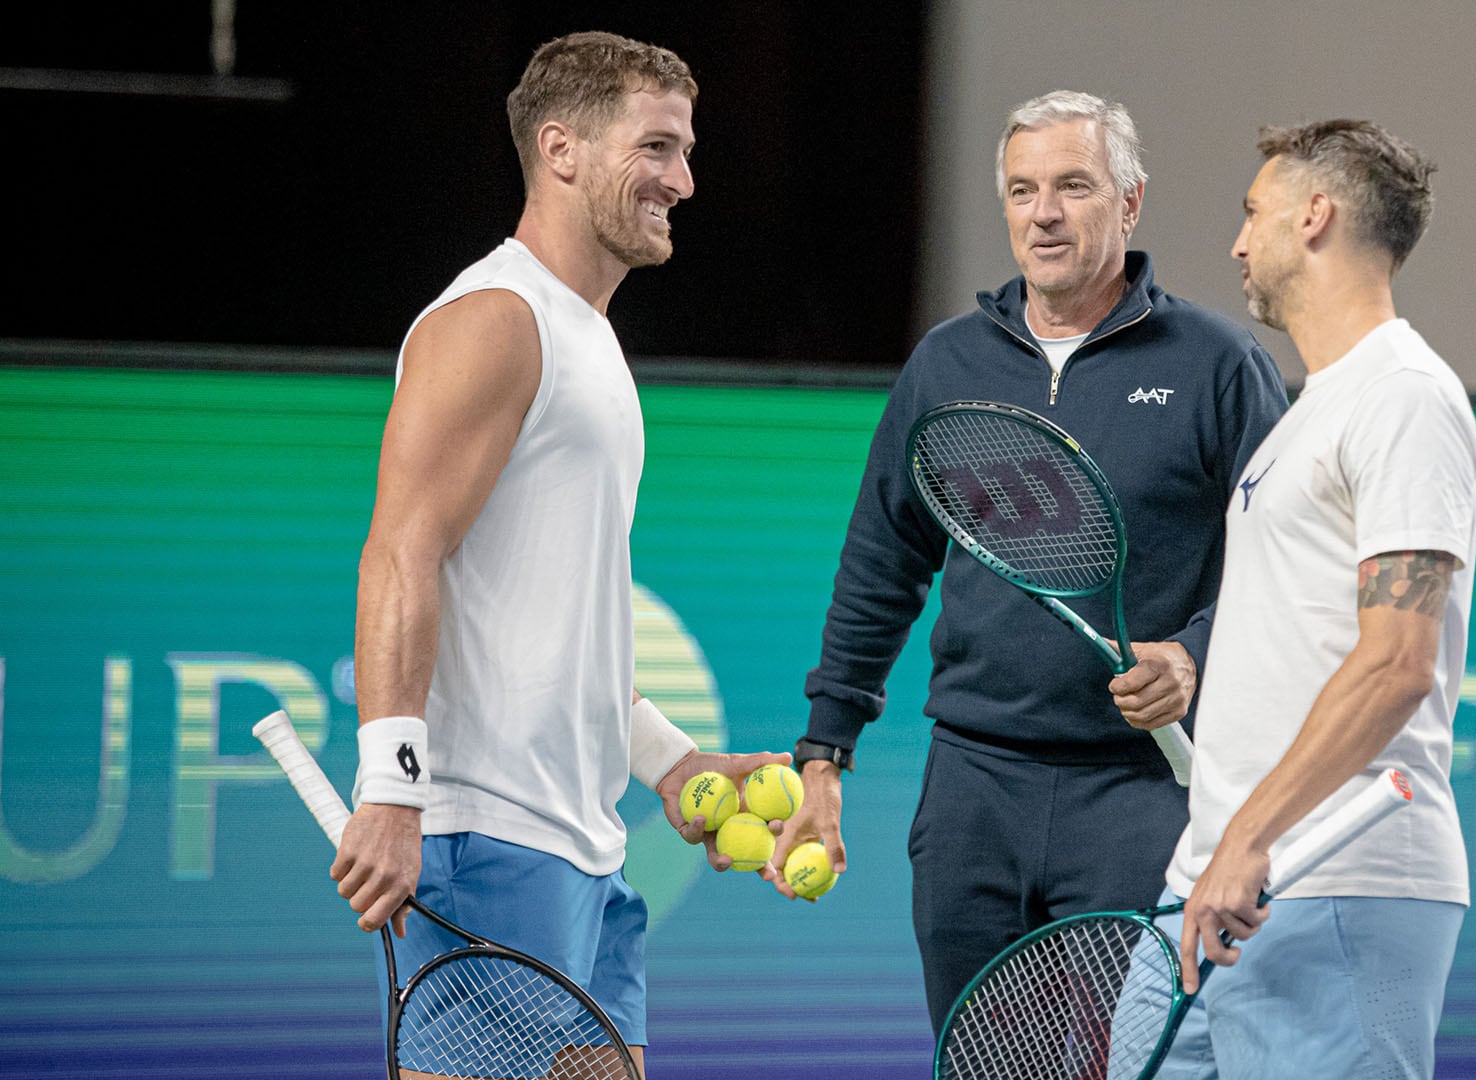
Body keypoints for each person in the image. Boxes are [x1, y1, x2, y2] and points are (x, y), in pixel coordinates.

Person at [767, 90, 1290, 1030]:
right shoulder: (946, 366)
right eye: (1021, 190)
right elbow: (882, 563)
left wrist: (1193, 655)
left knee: (1126, 1059)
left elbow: (1288, 570)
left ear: (1130, 202)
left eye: (1072, 186)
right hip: (974, 789)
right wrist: (824, 752)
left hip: (1144, 792)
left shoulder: (1217, 364)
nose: (1043, 213)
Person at [329, 32, 789, 1074]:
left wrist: (669, 762)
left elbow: (549, 621)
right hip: (486, 841)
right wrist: (392, 790)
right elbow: (399, 554)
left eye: (686, 151)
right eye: (657, 147)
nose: (683, 180)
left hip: (584, 845)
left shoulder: (592, 342)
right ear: (561, 148)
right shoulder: (496, 319)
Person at [1155, 119, 1476, 1080]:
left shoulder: (1405, 398)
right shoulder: (1307, 416)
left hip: (1332, 877)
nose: (1237, 242)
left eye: (1253, 212)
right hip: (1211, 887)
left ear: (1314, 215)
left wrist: (1251, 835)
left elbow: (1397, 663)